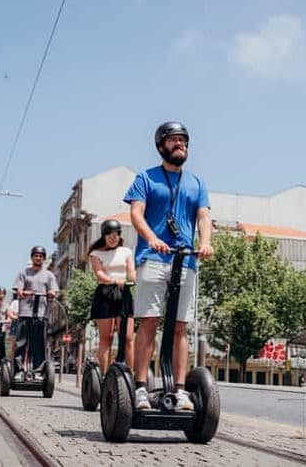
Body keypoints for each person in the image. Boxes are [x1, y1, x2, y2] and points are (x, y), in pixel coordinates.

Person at [123, 121, 213, 411]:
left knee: (180, 327)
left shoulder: (197, 183)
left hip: (185, 260)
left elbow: (203, 217)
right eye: (174, 140)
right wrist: (152, 239)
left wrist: (206, 242)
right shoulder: (146, 178)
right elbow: (136, 214)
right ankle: (140, 387)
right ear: (161, 145)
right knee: (149, 321)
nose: (180, 144)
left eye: (183, 140)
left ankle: (180, 390)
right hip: (152, 258)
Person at [88, 219, 137, 374]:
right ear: (104, 236)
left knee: (128, 337)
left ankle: (130, 374)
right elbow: (99, 274)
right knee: (107, 337)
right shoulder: (95, 254)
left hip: (124, 293)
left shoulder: (126, 251)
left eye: (116, 235)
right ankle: (105, 375)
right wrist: (114, 281)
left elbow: (131, 270)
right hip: (105, 294)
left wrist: (132, 278)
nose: (113, 238)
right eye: (109, 235)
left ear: (119, 235)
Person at [13, 246, 58, 375]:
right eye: (36, 255)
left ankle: (38, 370)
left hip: (41, 313)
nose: (38, 258)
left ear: (44, 258)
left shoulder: (49, 275)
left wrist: (51, 292)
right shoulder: (23, 273)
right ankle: (18, 369)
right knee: (21, 342)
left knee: (39, 343)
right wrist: (22, 291)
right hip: (25, 312)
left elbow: (53, 290)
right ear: (32, 257)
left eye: (40, 256)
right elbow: (18, 289)